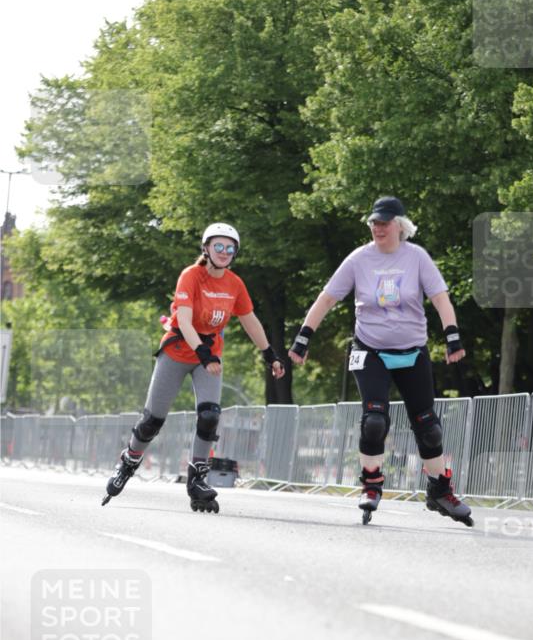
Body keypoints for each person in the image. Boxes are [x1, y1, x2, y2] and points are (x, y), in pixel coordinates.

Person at [288, 197, 473, 527]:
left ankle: (440, 490)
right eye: (374, 222)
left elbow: (440, 297)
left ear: (399, 226)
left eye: (384, 223)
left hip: (412, 350)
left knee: (428, 427)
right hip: (369, 350)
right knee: (374, 420)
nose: (378, 228)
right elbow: (328, 297)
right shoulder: (360, 259)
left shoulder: (416, 258)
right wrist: (304, 337)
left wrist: (452, 335)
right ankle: (371, 484)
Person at [103, 222, 285, 512]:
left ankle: (197, 478)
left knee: (210, 415)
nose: (224, 252)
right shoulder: (191, 275)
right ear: (206, 248)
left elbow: (250, 321)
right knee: (153, 420)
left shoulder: (235, 284)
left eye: (230, 248)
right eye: (218, 246)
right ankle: (129, 460)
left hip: (208, 358)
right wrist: (202, 352)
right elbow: (184, 320)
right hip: (177, 351)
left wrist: (270, 354)